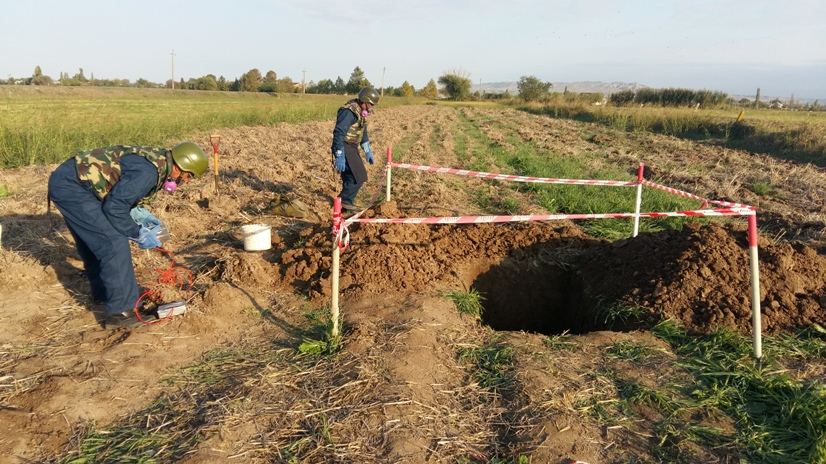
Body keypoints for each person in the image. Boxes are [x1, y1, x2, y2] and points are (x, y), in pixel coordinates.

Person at [47, 142, 208, 329]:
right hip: (72, 187)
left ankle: (107, 294)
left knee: (97, 241)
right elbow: (114, 207)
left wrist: (137, 213)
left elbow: (120, 191)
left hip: (72, 181)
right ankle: (121, 311)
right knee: (112, 242)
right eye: (188, 176)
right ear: (180, 166)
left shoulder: (157, 162)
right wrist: (137, 232)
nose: (185, 181)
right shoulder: (149, 173)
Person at [331, 87, 380, 212]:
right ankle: (344, 201)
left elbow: (362, 131)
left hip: (352, 146)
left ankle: (343, 208)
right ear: (364, 100)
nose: (371, 107)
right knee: (359, 176)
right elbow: (339, 132)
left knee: (350, 177)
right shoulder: (349, 112)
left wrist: (367, 149)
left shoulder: (360, 111)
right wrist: (339, 153)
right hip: (344, 145)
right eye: (370, 104)